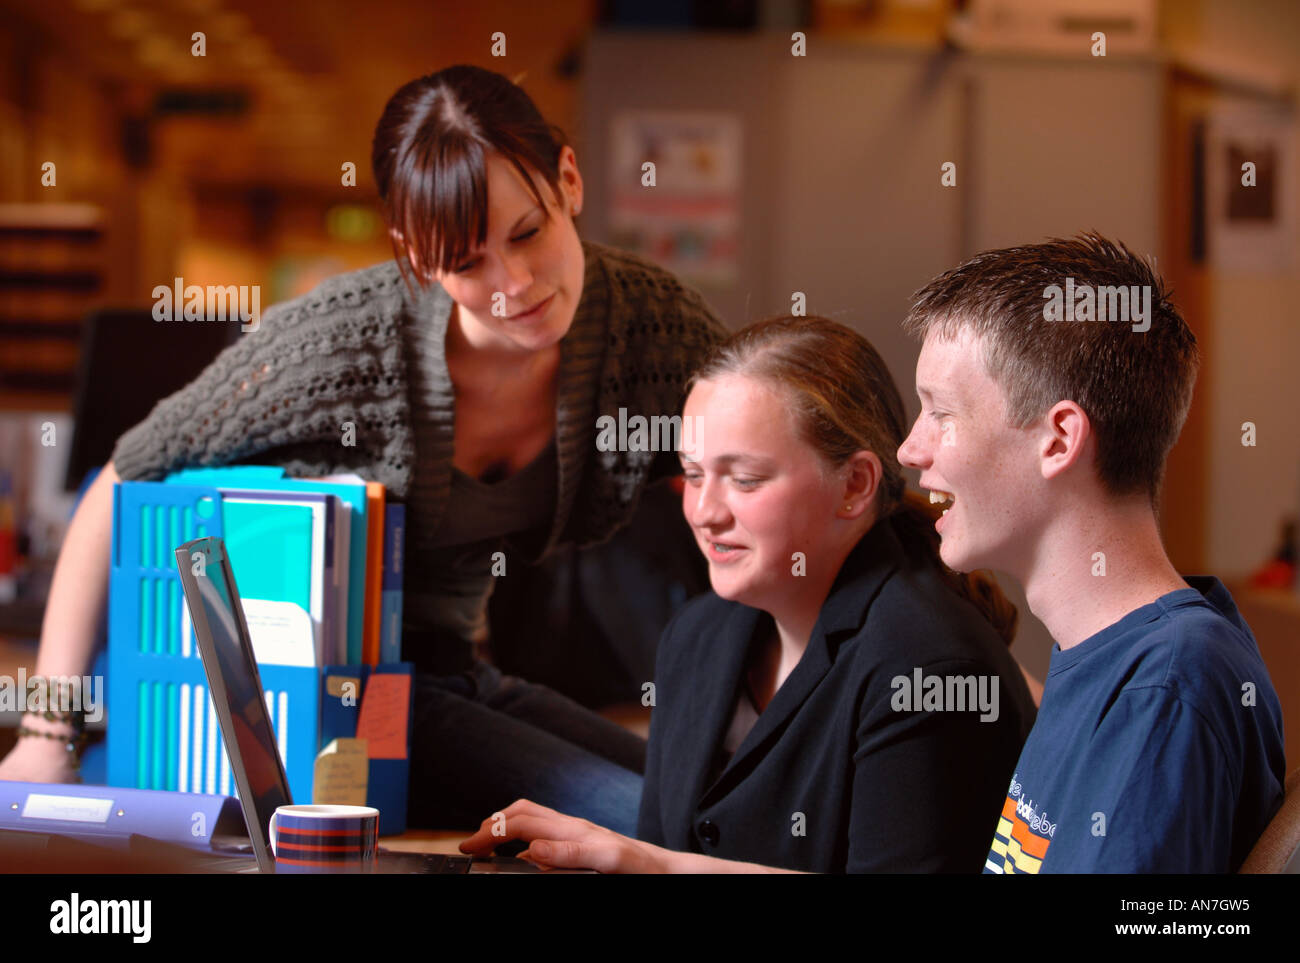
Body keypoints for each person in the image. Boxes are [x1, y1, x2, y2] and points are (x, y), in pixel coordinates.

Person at [0, 65, 728, 838]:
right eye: (466, 262)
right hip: (342, 697)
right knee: (656, 824)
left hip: (461, 674)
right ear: (416, 253)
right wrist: (47, 733)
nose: (513, 284)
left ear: (569, 182)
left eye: (528, 232)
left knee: (713, 801)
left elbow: (765, 453)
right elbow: (120, 478)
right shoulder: (343, 342)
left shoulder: (650, 325)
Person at [460, 316, 1037, 872]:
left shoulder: (929, 667)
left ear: (855, 485)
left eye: (745, 479)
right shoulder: (698, 635)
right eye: (693, 473)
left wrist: (654, 866)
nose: (705, 513)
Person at [895, 232, 1286, 873]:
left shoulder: (1166, 686)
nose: (912, 450)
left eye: (941, 413)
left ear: (1058, 440)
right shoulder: (1114, 657)